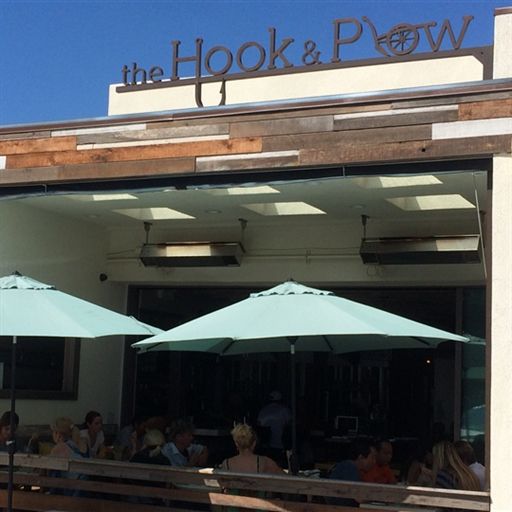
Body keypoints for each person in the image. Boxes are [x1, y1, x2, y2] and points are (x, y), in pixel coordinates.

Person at [328, 439, 376, 507]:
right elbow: (360, 498)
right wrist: (379, 497)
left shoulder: (347, 466)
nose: (374, 462)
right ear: (361, 457)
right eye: (372, 458)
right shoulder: (349, 468)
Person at [48, 417, 86, 496]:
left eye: (53, 432)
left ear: (58, 434)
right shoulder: (73, 444)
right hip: (84, 483)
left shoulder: (59, 448)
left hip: (75, 488)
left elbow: (46, 464)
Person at [257, 391, 291, 464]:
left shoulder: (263, 410)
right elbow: (290, 425)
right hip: (281, 446)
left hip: (267, 447)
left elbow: (259, 427)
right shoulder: (285, 410)